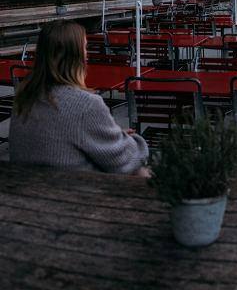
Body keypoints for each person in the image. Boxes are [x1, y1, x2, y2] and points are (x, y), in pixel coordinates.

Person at [9, 20, 149, 175]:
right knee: (142, 171)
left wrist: (109, 134)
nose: (86, 53)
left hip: (27, 191)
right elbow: (126, 160)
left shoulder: (23, 97)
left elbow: (59, 137)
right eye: (84, 47)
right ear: (75, 55)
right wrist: (134, 140)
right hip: (71, 194)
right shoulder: (85, 105)